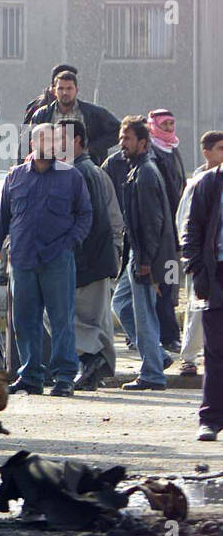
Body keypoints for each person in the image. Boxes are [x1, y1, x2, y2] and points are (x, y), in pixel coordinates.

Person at [0, 124, 92, 396]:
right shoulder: (16, 176)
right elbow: (2, 219)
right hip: (22, 259)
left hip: (57, 259)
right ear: (32, 143)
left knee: (60, 320)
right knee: (24, 320)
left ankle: (64, 377)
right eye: (43, 138)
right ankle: (30, 376)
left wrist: (70, 242)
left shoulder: (71, 177)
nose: (50, 143)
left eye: (54, 139)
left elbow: (85, 216)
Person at [111, 116, 177, 391]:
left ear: (143, 142)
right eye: (121, 138)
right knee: (121, 304)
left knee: (144, 314)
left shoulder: (146, 172)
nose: (122, 144)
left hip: (144, 257)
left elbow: (153, 221)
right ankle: (158, 357)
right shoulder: (136, 169)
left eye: (127, 139)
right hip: (136, 255)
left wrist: (146, 261)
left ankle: (152, 374)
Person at [57, 119, 124, 391]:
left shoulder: (81, 173)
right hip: (95, 259)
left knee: (67, 317)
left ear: (77, 141)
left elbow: (94, 222)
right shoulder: (89, 171)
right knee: (89, 319)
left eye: (60, 139)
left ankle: (94, 359)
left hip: (86, 261)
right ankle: (93, 366)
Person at [181, 131, 223, 439]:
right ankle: (210, 418)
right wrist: (197, 270)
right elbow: (192, 228)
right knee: (215, 350)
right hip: (216, 274)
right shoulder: (209, 183)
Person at [148, 108, 187, 353]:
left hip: (173, 235)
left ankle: (169, 334)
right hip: (158, 235)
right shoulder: (152, 153)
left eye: (172, 123)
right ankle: (165, 335)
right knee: (158, 286)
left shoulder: (173, 149)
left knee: (170, 285)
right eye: (165, 124)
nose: (169, 128)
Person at [26, 70, 121, 171]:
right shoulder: (42, 114)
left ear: (76, 90)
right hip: (50, 169)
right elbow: (28, 141)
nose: (65, 92)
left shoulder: (93, 112)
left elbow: (118, 130)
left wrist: (92, 148)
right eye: (61, 88)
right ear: (54, 91)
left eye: (69, 88)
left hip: (84, 167)